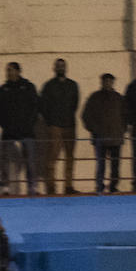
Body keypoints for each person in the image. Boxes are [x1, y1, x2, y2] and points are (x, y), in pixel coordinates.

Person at [0, 62, 39, 196]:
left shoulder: (28, 87)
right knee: (6, 160)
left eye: (12, 70)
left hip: (26, 130)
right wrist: (3, 124)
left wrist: (29, 124)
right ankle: (6, 186)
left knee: (30, 160)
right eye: (8, 70)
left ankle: (32, 187)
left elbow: (35, 107)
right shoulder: (3, 89)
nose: (9, 73)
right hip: (8, 131)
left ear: (19, 71)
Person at [39, 58, 79, 195]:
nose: (60, 68)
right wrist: (50, 122)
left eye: (63, 66)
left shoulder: (73, 85)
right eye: (58, 66)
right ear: (54, 68)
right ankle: (51, 187)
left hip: (70, 125)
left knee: (70, 158)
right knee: (52, 158)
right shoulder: (48, 86)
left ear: (66, 68)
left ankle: (68, 186)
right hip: (54, 126)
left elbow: (75, 104)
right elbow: (43, 106)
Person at [82, 73, 125, 194]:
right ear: (102, 82)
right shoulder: (94, 97)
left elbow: (126, 116)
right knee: (101, 165)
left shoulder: (119, 98)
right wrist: (95, 130)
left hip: (116, 136)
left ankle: (113, 187)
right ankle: (99, 186)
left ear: (113, 83)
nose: (108, 83)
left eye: (110, 81)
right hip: (100, 137)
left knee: (115, 165)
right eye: (105, 81)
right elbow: (86, 116)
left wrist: (122, 129)